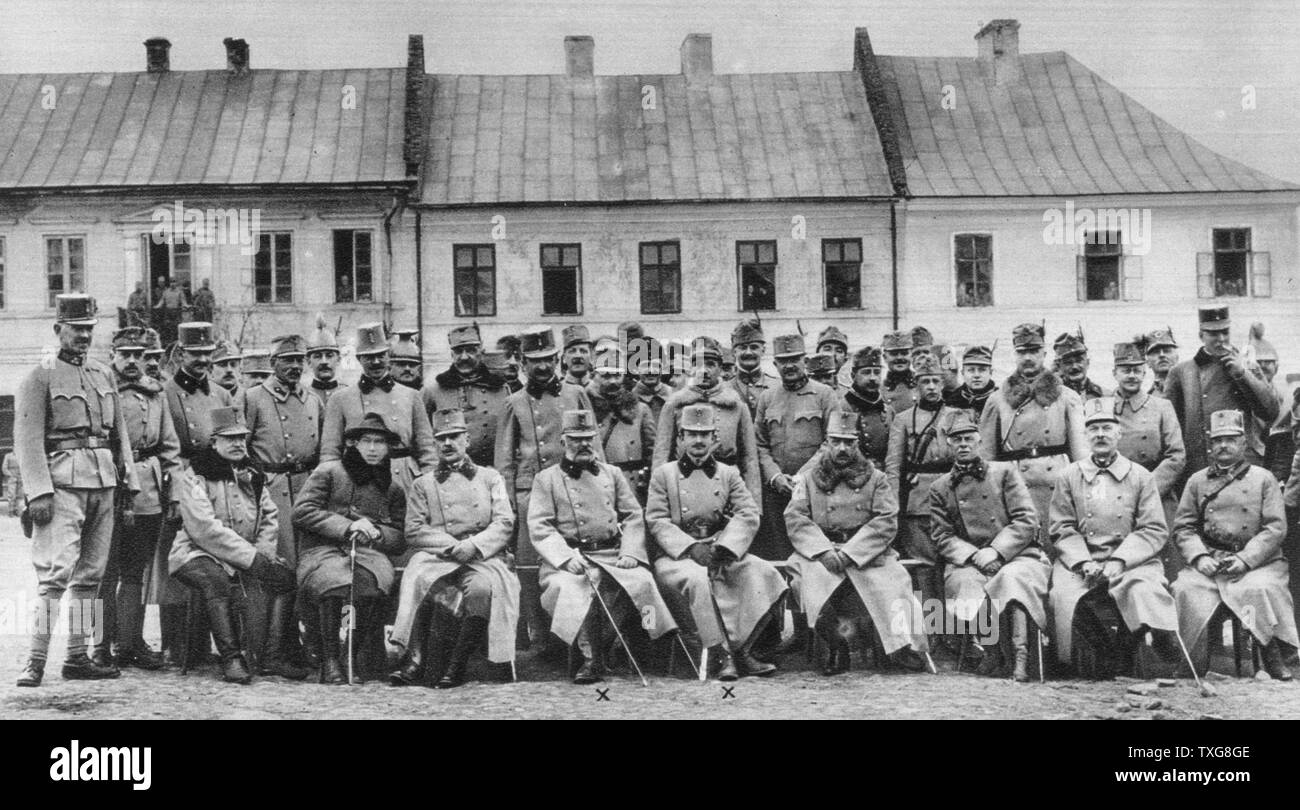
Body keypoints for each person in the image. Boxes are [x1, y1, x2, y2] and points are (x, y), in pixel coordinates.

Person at [15, 295, 139, 686]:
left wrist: (129, 483)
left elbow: (120, 436)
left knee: (91, 576)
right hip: (62, 485)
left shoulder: (104, 375)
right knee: (54, 576)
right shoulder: (40, 376)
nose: (84, 336)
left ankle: (77, 657)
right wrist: (38, 492)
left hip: (104, 482)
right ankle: (35, 661)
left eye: (89, 328)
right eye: (76, 328)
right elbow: (27, 439)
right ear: (58, 330)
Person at [528, 410, 676, 683]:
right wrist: (563, 558)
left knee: (643, 583)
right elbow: (540, 526)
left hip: (612, 553)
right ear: (563, 441)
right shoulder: (546, 479)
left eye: (588, 438)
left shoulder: (613, 473)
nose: (583, 444)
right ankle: (590, 657)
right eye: (575, 439)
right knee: (575, 587)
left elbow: (633, 515)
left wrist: (630, 551)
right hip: (572, 556)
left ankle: (650, 639)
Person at [645, 403, 786, 680]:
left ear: (714, 439)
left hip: (719, 550)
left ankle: (746, 649)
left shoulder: (728, 473)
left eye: (704, 435)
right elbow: (656, 519)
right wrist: (690, 547)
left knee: (762, 571)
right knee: (697, 580)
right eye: (691, 434)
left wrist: (726, 547)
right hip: (678, 557)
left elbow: (747, 512)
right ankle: (722, 653)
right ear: (680, 438)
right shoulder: (665, 474)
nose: (698, 441)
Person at [784, 410, 930, 674]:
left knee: (894, 582)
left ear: (857, 444)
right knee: (806, 582)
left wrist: (851, 552)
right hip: (820, 551)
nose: (842, 448)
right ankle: (834, 645)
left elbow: (886, 520)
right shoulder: (806, 478)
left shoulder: (877, 478)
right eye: (836, 441)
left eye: (848, 442)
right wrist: (823, 551)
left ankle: (900, 647)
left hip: (866, 551)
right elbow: (796, 518)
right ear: (826, 443)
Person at [1047, 398, 1181, 676]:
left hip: (1132, 561)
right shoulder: (1069, 475)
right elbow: (1062, 527)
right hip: (1082, 562)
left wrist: (1120, 560)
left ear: (1119, 433)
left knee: (1145, 590)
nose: (1100, 434)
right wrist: (1083, 562)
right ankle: (1078, 659)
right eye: (1093, 429)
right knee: (1062, 595)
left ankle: (1135, 647)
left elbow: (1153, 528)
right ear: (1085, 435)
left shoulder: (1141, 476)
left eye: (1107, 428)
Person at [389, 408, 518, 688]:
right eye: (441, 438)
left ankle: (456, 666)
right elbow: (413, 529)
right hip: (438, 556)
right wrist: (451, 546)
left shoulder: (490, 477)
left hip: (481, 556)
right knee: (418, 585)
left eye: (454, 437)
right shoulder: (423, 484)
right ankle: (415, 660)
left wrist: (473, 545)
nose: (447, 444)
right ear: (434, 443)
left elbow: (505, 521)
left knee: (482, 590)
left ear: (467, 440)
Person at [168, 407, 296, 684]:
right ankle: (231, 657)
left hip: (245, 554)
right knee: (216, 581)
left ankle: (271, 656)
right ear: (214, 442)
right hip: (195, 553)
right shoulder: (196, 475)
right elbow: (204, 529)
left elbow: (269, 516)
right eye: (229, 439)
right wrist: (251, 558)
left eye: (241, 438)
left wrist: (264, 552)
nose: (238, 444)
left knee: (285, 578)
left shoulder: (253, 474)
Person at [1171, 409, 1296, 680]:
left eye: (1231, 439)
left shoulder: (1264, 479)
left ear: (1243, 443)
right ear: (1210, 445)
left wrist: (1246, 559)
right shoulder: (1197, 480)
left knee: (1259, 588)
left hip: (1259, 563)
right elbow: (1183, 527)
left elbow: (1275, 528)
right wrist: (1199, 557)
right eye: (1218, 440)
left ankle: (1271, 654)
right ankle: (1193, 661)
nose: (1224, 445)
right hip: (1212, 561)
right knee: (1185, 589)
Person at [495, 326, 599, 643]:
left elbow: (595, 449)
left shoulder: (576, 394)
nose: (542, 367)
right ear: (523, 363)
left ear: (557, 359)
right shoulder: (513, 402)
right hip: (530, 496)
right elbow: (504, 460)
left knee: (574, 564)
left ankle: (571, 638)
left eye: (547, 359)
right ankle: (539, 635)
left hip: (573, 488)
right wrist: (509, 503)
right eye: (534, 360)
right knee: (529, 566)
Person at [928, 412, 1047, 681]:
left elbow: (1027, 519)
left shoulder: (1004, 472)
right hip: (969, 559)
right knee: (965, 584)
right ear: (949, 444)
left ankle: (1020, 657)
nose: (963, 445)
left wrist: (996, 550)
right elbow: (942, 535)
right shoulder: (940, 487)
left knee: (1013, 579)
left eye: (968, 438)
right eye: (956, 440)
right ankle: (993, 651)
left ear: (979, 440)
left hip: (1016, 554)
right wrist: (976, 556)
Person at [293, 412, 406, 684]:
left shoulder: (392, 487)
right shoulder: (329, 472)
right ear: (353, 443)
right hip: (322, 550)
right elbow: (303, 511)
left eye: (380, 442)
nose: (373, 448)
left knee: (368, 587)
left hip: (368, 555)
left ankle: (350, 653)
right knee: (334, 584)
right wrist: (346, 526)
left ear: (388, 447)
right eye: (366, 441)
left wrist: (377, 533)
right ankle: (330, 658)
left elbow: (400, 538)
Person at [92, 327, 181, 672]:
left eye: (138, 355)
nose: (132, 361)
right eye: (124, 354)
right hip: (109, 485)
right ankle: (99, 645)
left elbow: (170, 446)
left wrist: (173, 493)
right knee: (103, 572)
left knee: (135, 571)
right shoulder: (100, 387)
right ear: (113, 354)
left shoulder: (155, 393)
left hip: (147, 489)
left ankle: (129, 643)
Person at [240, 334, 320, 679]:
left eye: (300, 359)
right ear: (272, 363)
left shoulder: (313, 399)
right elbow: (239, 449)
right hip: (270, 490)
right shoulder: (254, 398)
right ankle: (272, 651)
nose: (295, 366)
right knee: (280, 571)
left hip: (307, 490)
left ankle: (302, 644)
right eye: (287, 359)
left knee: (306, 570)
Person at [156, 321, 234, 666]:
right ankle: (178, 644)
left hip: (213, 479)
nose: (202, 359)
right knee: (175, 564)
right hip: (180, 479)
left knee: (213, 558)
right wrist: (174, 488)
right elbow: (162, 443)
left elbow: (232, 438)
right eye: (195, 353)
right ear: (181, 353)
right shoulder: (165, 393)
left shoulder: (221, 394)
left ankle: (215, 641)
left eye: (207, 352)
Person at [979, 323, 1087, 551]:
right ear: (1014, 354)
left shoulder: (1067, 397)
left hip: (1055, 483)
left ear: (1044, 354)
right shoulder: (997, 400)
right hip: (1015, 484)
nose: (1028, 357)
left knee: (1057, 547)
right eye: (1022, 352)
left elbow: (1080, 456)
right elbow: (987, 458)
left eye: (1034, 351)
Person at [321, 323, 438, 494]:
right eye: (369, 357)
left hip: (403, 478)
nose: (376, 362)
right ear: (359, 358)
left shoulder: (411, 395)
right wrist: (334, 485)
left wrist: (429, 485)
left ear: (388, 357)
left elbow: (426, 448)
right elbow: (330, 452)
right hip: (357, 477)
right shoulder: (340, 398)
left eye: (380, 355)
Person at [1164, 306, 1279, 477]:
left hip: (1243, 462)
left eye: (1225, 332)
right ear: (1201, 336)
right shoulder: (1181, 372)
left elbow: (1270, 411)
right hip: (1201, 463)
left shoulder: (1247, 366)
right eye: (1213, 334)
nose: (1221, 339)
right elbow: (1171, 423)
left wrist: (1242, 374)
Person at [754, 333, 839, 560]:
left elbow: (832, 440)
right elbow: (759, 444)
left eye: (795, 359)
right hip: (777, 492)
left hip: (816, 489)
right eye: (783, 360)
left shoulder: (824, 395)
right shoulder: (767, 398)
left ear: (805, 361)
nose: (789, 365)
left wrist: (802, 477)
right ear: (775, 364)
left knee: (816, 556)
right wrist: (775, 477)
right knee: (781, 554)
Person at [885, 353, 959, 610]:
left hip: (953, 501)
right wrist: (894, 507)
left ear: (942, 384)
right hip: (918, 505)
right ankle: (933, 636)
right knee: (925, 569)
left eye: (935, 381)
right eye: (925, 381)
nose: (930, 387)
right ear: (916, 385)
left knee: (956, 566)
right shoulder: (903, 419)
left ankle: (960, 635)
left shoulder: (957, 416)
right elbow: (893, 467)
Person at [1112, 340, 1186, 577]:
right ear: (1115, 373)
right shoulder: (1102, 407)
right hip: (1116, 496)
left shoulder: (1161, 407)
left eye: (1137, 370)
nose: (1132, 375)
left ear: (1145, 372)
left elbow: (1176, 455)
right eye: (1126, 370)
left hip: (1158, 495)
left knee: (1170, 565)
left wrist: (1147, 490)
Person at [656, 337, 761, 500]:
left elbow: (750, 459)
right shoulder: (675, 404)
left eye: (711, 365)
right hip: (685, 485)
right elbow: (662, 456)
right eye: (698, 364)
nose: (704, 371)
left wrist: (754, 503)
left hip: (728, 485)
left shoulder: (736, 405)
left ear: (720, 368)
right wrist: (660, 498)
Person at [423, 323, 509, 467]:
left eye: (471, 350)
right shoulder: (433, 391)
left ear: (481, 351)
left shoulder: (500, 389)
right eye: (458, 351)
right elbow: (422, 438)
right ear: (451, 354)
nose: (464, 357)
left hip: (492, 472)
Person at [587, 348, 656, 504]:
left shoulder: (640, 410)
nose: (612, 381)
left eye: (617, 375)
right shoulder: (586, 407)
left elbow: (652, 452)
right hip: (596, 484)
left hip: (632, 487)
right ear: (594, 376)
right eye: (605, 376)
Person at [838, 346, 894, 466]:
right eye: (866, 372)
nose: (873, 378)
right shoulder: (843, 408)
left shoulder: (888, 410)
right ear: (853, 375)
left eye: (877, 372)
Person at [729, 318, 777, 417]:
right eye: (742, 347)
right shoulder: (724, 389)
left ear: (763, 350)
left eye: (754, 347)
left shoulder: (777, 386)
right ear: (734, 352)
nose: (748, 352)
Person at [944, 344, 998, 418]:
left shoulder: (1000, 399)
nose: (976, 375)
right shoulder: (952, 401)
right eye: (971, 370)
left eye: (982, 370)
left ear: (990, 372)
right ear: (963, 373)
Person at [305, 314, 346, 407]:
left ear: (338, 360)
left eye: (329, 355)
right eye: (317, 356)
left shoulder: (349, 394)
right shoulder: (303, 396)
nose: (324, 361)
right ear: (308, 362)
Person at [1054, 331, 1106, 401]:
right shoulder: (1054, 396)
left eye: (1079, 360)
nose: (1074, 366)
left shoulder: (1103, 395)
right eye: (1068, 363)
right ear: (1059, 367)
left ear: (1087, 363)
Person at [881, 330, 917, 413]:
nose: (899, 358)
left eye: (904, 353)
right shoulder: (879, 389)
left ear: (912, 355)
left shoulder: (922, 383)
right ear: (885, 357)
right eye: (894, 354)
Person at [1142, 327, 1179, 397]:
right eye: (1155, 352)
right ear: (1147, 362)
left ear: (1177, 357)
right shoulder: (1147, 397)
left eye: (1167, 351)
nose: (1162, 355)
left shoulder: (1189, 388)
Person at [3, 449, 22, 518]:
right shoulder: (8, 456)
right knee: (12, 494)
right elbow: (4, 467)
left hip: (20, 477)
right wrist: (10, 475)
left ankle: (16, 510)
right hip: (12, 477)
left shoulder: (21, 455)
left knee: (19, 495)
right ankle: (10, 510)